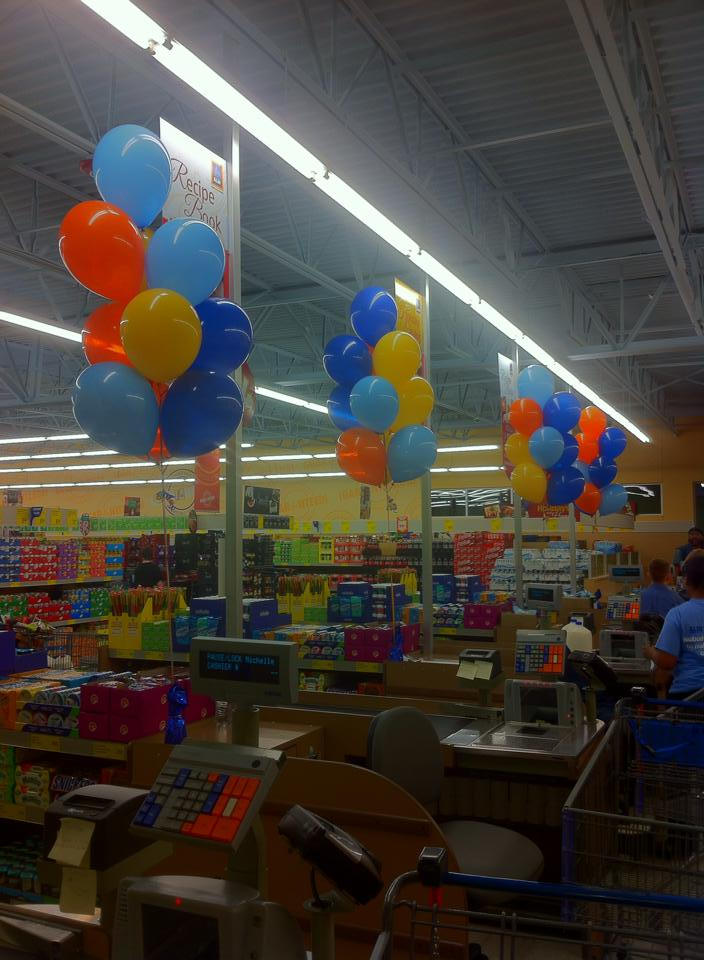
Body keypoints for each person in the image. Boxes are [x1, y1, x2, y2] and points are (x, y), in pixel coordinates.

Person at [645, 552, 704, 698]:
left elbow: (667, 662)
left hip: (689, 695)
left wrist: (650, 652)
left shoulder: (678, 614)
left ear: (686, 581)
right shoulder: (676, 600)